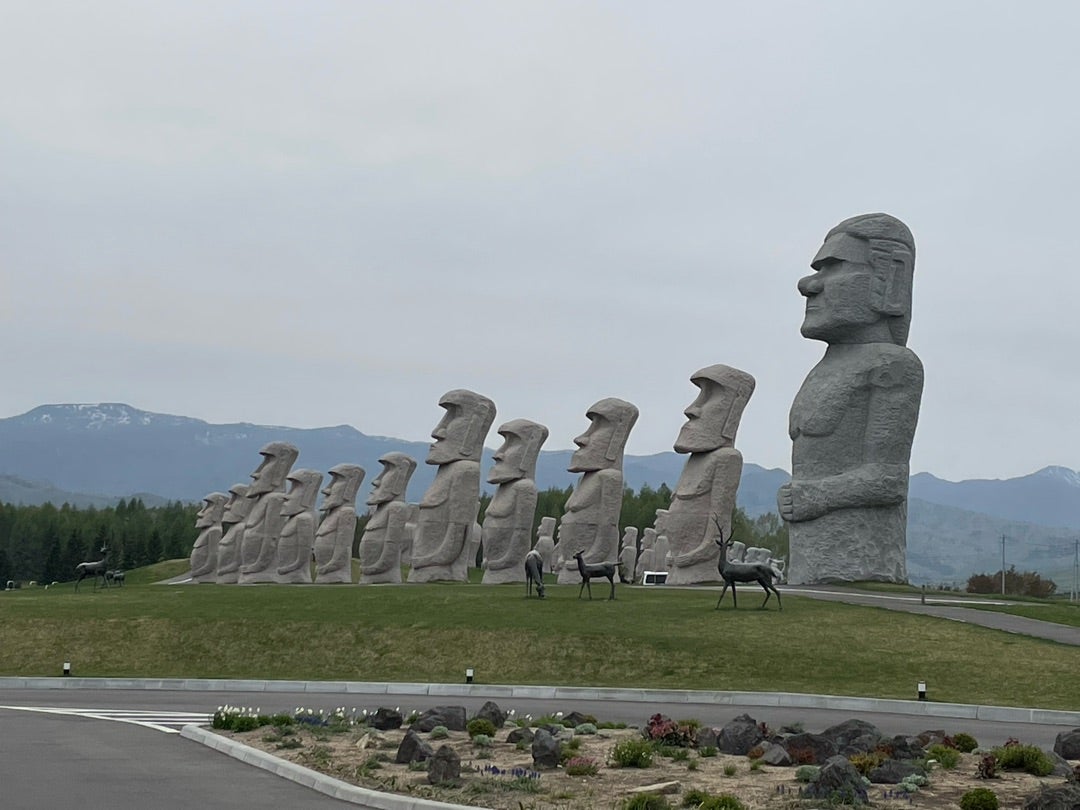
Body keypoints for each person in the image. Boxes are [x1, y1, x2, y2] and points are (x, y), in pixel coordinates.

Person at [777, 213, 923, 584]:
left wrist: (819, 497)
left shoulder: (893, 365)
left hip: (860, 560)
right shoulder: (822, 369)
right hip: (812, 557)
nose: (808, 284)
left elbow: (889, 478)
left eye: (832, 267)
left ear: (888, 279)